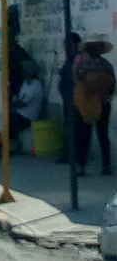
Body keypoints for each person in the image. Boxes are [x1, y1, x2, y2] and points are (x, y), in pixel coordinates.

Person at [73, 35, 115, 176]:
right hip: (104, 102)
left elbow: (78, 81)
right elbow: (112, 85)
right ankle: (106, 165)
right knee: (103, 134)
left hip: (87, 102)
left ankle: (81, 166)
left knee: (84, 134)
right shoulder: (107, 65)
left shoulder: (84, 66)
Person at [56, 32, 82, 164]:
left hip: (75, 99)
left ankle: (76, 155)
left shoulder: (79, 59)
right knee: (69, 126)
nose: (65, 47)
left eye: (68, 44)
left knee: (75, 128)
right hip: (67, 98)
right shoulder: (70, 59)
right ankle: (70, 153)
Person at [9, 60, 43, 153]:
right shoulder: (26, 82)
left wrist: (7, 103)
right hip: (20, 113)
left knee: (8, 122)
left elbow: (22, 103)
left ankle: (10, 146)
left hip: (28, 117)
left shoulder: (35, 85)